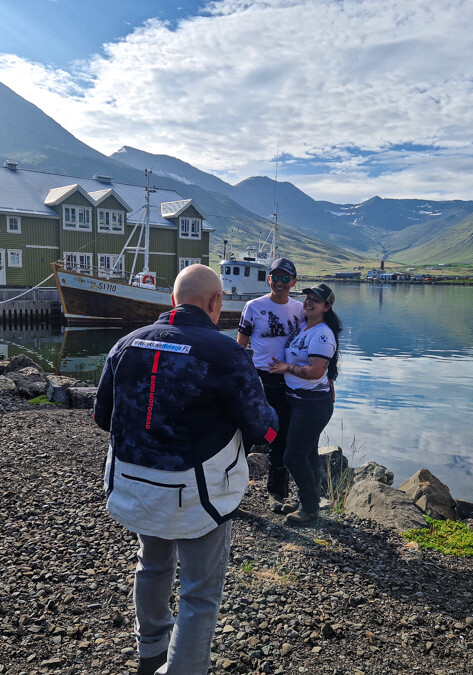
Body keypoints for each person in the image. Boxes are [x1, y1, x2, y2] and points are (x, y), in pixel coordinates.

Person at [93, 264, 278, 675]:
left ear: (173, 299)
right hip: (199, 492)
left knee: (152, 563)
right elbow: (262, 428)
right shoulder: (227, 354)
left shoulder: (125, 345)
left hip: (134, 483)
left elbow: (103, 416)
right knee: (199, 592)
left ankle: (151, 653)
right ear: (216, 302)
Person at [267, 283, 341, 526]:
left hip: (312, 404)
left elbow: (316, 371)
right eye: (307, 297)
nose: (308, 302)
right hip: (298, 401)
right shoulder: (304, 327)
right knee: (308, 455)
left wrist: (286, 367)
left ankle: (310, 510)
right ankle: (307, 501)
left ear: (327, 307)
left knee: (293, 456)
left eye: (315, 300)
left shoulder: (322, 335)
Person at [236, 257, 305, 514]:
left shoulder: (300, 309)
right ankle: (231, 493)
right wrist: (238, 380)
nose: (280, 283)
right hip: (259, 379)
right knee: (245, 434)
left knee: (281, 436)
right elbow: (240, 348)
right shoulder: (253, 307)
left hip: (287, 380)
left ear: (294, 282)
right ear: (269, 280)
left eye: (286, 278)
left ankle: (277, 494)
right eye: (275, 277)